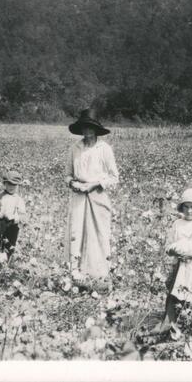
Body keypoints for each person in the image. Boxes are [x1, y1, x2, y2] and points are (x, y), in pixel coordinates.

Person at [63, 109, 119, 283]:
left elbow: (114, 177)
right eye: (84, 128)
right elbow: (67, 175)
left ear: (96, 130)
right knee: (77, 231)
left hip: (98, 195)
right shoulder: (75, 148)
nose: (87, 132)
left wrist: (95, 185)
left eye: (90, 128)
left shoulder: (104, 149)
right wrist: (73, 184)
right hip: (79, 195)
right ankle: (76, 271)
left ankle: (100, 272)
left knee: (100, 232)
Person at [157, 188, 192, 332]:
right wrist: (173, 251)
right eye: (186, 207)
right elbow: (168, 246)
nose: (189, 211)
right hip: (179, 265)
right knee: (174, 293)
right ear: (182, 208)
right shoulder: (177, 224)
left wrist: (191, 255)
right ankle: (169, 323)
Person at [0, 170, 26, 260]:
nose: (11, 187)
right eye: (9, 184)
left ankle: (7, 264)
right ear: (5, 184)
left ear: (17, 185)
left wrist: (15, 218)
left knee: (10, 246)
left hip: (12, 226)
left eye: (14, 185)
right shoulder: (0, 196)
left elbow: (23, 216)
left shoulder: (19, 200)